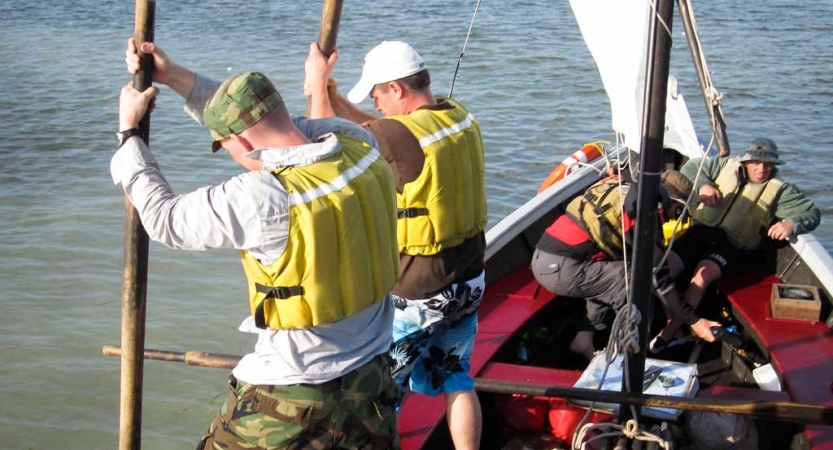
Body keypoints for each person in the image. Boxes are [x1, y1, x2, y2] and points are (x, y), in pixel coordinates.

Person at [118, 39, 402, 450]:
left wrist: (129, 135)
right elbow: (279, 131)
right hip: (371, 381)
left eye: (227, 147)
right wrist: (171, 74)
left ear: (245, 145)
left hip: (290, 393)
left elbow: (165, 220)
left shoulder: (264, 197)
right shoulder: (360, 145)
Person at [304, 40, 487, 450]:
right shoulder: (456, 115)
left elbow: (319, 152)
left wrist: (318, 87)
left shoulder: (399, 135)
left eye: (378, 96)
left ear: (397, 90)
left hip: (417, 289)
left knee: (382, 393)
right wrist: (338, 100)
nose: (377, 105)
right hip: (469, 280)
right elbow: (384, 130)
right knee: (456, 377)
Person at [530, 170, 722, 360]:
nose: (676, 219)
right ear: (667, 202)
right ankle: (628, 355)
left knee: (611, 273)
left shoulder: (624, 186)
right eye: (679, 212)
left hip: (546, 258)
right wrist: (694, 321)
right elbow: (659, 279)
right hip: (561, 268)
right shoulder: (642, 214)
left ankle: (583, 338)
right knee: (634, 279)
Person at [654, 138, 821, 347]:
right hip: (703, 231)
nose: (762, 169)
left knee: (702, 274)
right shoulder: (724, 165)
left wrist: (790, 224)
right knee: (664, 267)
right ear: (746, 161)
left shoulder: (782, 191)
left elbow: (812, 213)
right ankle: (676, 329)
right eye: (757, 163)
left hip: (735, 245)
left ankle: (665, 337)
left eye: (768, 165)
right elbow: (691, 167)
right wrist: (704, 185)